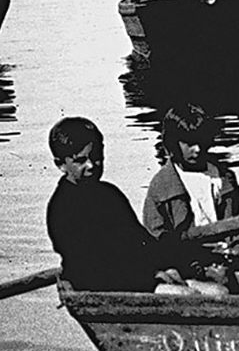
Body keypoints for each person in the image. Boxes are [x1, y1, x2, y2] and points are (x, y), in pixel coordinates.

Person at [46, 116, 184, 293]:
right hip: (100, 285)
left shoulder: (110, 194)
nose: (91, 165)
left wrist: (167, 266)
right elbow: (92, 263)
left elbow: (141, 240)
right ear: (61, 164)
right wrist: (151, 275)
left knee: (217, 292)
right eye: (80, 161)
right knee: (185, 295)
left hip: (135, 277)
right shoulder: (62, 209)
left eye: (96, 157)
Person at [141, 103, 239, 295]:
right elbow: (158, 241)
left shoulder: (223, 178)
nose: (197, 149)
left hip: (226, 257)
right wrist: (195, 266)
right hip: (187, 263)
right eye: (189, 143)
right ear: (173, 143)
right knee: (218, 287)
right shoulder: (161, 187)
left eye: (201, 141)